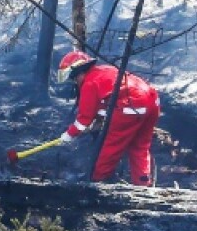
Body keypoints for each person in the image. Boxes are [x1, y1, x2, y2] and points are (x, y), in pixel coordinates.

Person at [55, 50, 160, 186]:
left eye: (73, 78)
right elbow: (108, 102)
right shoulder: (104, 70)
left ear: (78, 72)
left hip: (131, 107)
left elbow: (83, 120)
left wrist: (69, 134)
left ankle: (98, 182)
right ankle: (143, 184)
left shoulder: (89, 83)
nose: (74, 81)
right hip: (152, 101)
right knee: (139, 146)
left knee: (111, 147)